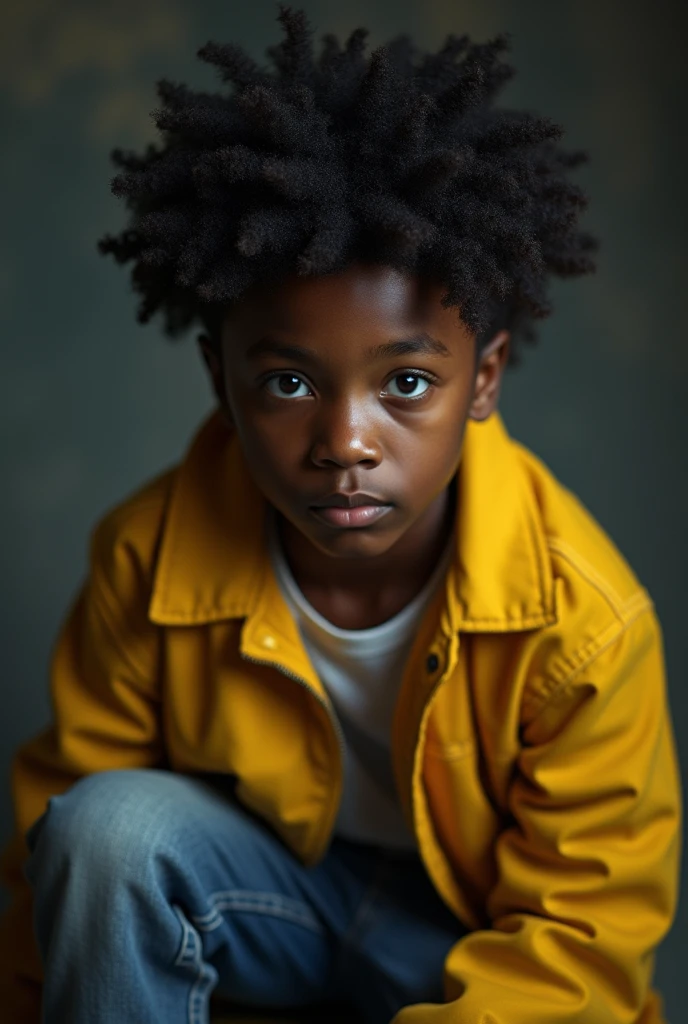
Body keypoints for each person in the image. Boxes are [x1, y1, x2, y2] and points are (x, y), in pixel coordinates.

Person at [0, 5, 681, 1023]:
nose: (345, 441)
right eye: (285, 384)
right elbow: (57, 882)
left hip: (471, 949)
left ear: (484, 379)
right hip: (268, 911)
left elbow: (580, 937)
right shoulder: (150, 559)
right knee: (108, 832)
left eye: (406, 382)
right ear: (219, 379)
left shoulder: (581, 622)